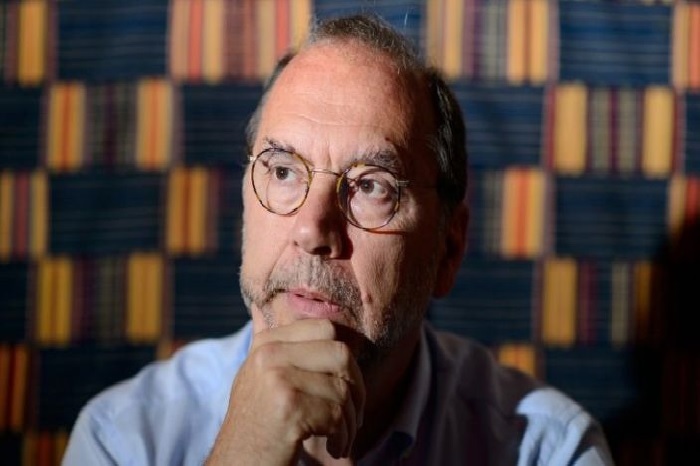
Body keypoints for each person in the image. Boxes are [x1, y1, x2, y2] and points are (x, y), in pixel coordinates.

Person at [63, 14, 613, 466]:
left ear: (448, 249)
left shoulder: (549, 450)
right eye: (283, 171)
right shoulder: (123, 439)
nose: (312, 230)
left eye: (372, 186)